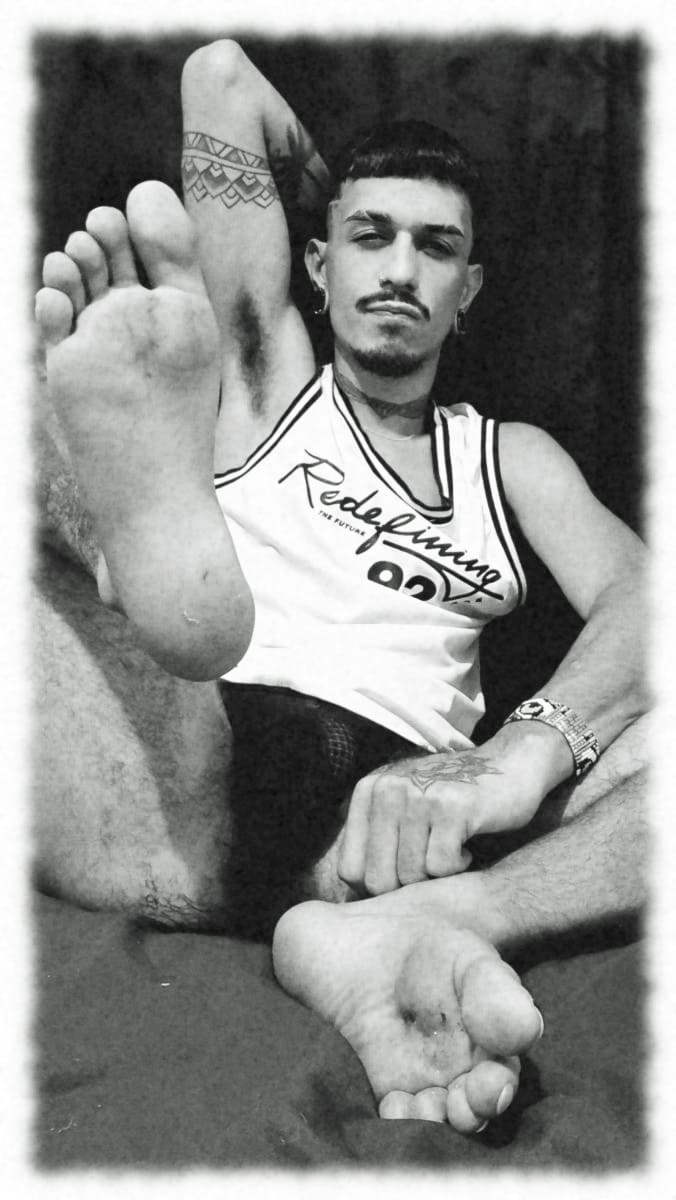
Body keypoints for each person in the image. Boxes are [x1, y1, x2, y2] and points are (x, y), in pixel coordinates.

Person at [34, 40, 648, 1132]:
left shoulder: (510, 459)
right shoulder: (267, 374)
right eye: (371, 237)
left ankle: (403, 924)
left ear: (470, 289)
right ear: (314, 267)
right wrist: (320, 184)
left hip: (410, 821)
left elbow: (646, 600)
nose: (400, 269)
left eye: (435, 247)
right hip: (208, 735)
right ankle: (120, 539)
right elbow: (220, 77)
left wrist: (522, 755)